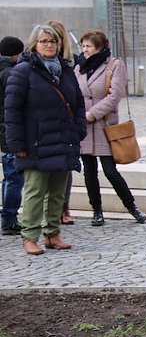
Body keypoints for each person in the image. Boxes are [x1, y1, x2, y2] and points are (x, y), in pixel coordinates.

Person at [4, 24, 85, 255]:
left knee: (58, 192)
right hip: (35, 143)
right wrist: (17, 144)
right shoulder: (23, 71)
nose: (49, 45)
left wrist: (79, 129)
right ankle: (30, 235)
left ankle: (52, 233)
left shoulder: (66, 70)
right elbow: (12, 111)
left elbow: (78, 103)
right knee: (35, 191)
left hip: (63, 140)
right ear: (34, 44)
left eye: (53, 41)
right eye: (44, 41)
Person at [74, 29, 146, 227]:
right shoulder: (79, 67)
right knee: (89, 171)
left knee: (110, 170)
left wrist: (93, 113)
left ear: (99, 47)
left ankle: (133, 208)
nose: (85, 50)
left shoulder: (115, 65)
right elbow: (74, 93)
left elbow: (115, 95)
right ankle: (96, 211)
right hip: (84, 127)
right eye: (83, 46)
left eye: (88, 46)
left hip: (104, 125)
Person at [47, 19, 79, 225]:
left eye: (53, 40)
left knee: (65, 170)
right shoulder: (35, 64)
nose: (49, 45)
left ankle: (62, 208)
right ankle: (51, 212)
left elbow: (77, 97)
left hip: (66, 122)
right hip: (47, 123)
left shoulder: (69, 64)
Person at [1, 36, 24, 236]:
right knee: (13, 178)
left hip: (4, 132)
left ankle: (8, 217)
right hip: (10, 132)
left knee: (10, 178)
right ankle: (8, 219)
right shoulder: (10, 73)